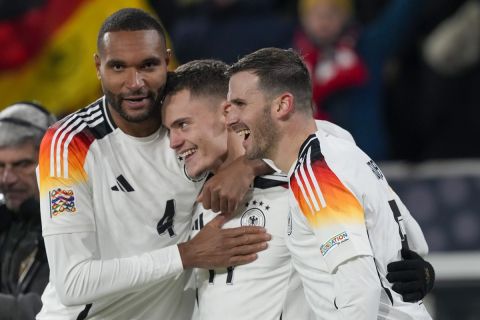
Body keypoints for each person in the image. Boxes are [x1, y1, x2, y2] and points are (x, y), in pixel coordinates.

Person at [36, 9, 270, 320]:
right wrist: (186, 255)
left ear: (166, 61)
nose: (135, 83)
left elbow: (303, 130)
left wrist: (248, 165)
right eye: (118, 67)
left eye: (148, 65)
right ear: (97, 67)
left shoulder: (188, 106)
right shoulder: (70, 144)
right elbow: (73, 283)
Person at [163, 59, 435, 319]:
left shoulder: (305, 177)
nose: (173, 141)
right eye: (169, 130)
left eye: (183, 124)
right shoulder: (187, 194)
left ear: (226, 112)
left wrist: (422, 273)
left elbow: (316, 137)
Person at [294, 0, 423, 160]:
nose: (324, 21)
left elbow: (401, 16)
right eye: (316, 14)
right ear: (303, 18)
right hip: (317, 165)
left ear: (346, 16)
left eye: (332, 12)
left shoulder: (367, 49)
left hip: (369, 159)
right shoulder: (290, 62)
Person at [0, 102, 55, 319]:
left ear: (50, 162)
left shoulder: (75, 221)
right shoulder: (6, 220)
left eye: (22, 164)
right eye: (0, 166)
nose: (7, 179)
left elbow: (48, 310)